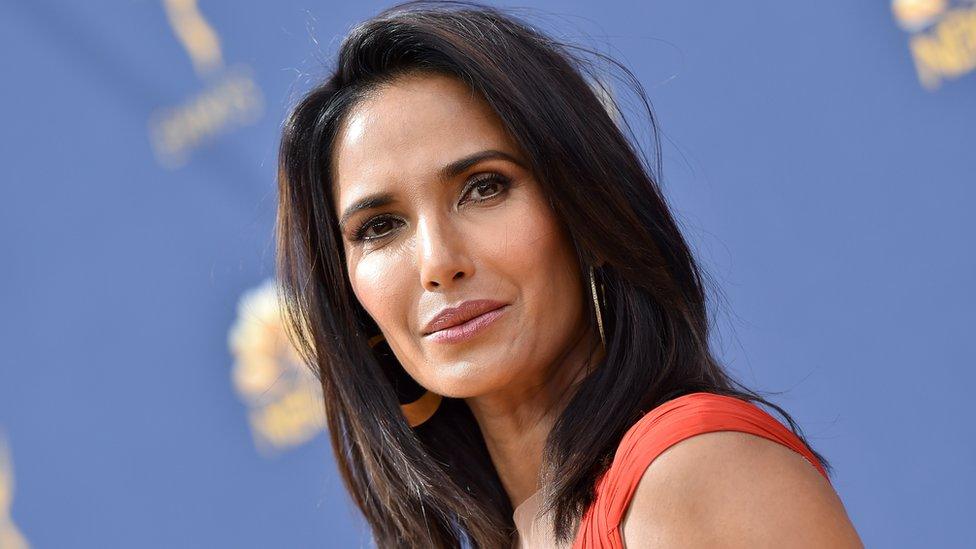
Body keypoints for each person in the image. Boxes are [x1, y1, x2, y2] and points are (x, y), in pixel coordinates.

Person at [275, 1, 864, 547]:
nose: (437, 263)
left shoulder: (692, 474)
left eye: (484, 188)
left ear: (586, 210)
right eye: (379, 227)